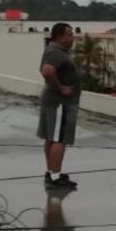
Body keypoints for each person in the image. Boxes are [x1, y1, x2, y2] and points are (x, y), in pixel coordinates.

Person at [38, 22, 80, 190]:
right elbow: (47, 71)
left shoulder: (55, 50)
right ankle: (55, 177)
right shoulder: (55, 51)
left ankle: (52, 172)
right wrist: (61, 88)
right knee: (59, 139)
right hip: (59, 103)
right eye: (69, 34)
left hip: (55, 101)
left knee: (52, 138)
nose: (72, 37)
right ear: (59, 36)